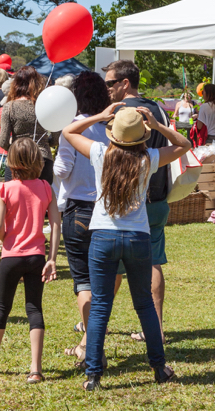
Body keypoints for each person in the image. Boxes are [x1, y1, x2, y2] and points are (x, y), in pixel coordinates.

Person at [62, 104, 189, 391]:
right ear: (141, 137)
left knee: (100, 309)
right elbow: (185, 145)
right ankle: (159, 367)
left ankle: (93, 375)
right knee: (144, 305)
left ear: (113, 134)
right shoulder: (149, 158)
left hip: (103, 238)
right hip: (137, 238)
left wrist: (98, 115)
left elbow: (68, 131)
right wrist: (157, 125)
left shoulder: (99, 153)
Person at [0, 138, 60, 383]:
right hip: (37, 256)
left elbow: (0, 228)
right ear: (37, 160)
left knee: (2, 307)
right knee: (34, 308)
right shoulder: (46, 187)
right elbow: (55, 223)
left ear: (11, 161)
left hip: (11, 257)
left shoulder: (5, 188)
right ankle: (36, 369)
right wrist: (52, 258)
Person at [104, 59, 173, 343]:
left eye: (110, 83)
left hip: (129, 200)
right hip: (157, 195)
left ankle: (95, 322)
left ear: (124, 83)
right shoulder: (158, 109)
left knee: (111, 264)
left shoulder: (121, 113)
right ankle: (154, 326)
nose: (106, 89)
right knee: (153, 262)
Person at [53, 70, 110, 366]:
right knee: (104, 280)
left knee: (83, 282)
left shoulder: (72, 128)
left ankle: (91, 344)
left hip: (78, 209)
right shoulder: (111, 127)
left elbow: (62, 170)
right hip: (108, 211)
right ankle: (89, 342)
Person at [0, 66, 51, 183]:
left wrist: (15, 148)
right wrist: (46, 143)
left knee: (14, 198)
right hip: (42, 157)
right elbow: (56, 136)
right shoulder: (46, 105)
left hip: (16, 160)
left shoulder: (9, 107)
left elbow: (3, 141)